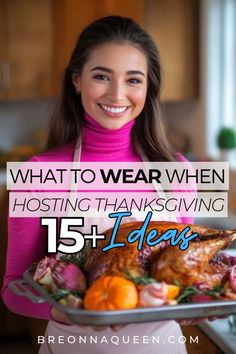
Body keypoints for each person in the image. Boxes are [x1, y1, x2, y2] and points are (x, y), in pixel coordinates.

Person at [2, 16, 200, 354]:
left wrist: (196, 301)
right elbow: (12, 288)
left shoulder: (177, 172)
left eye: (133, 79)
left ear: (148, 87)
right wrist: (73, 314)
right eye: (102, 76)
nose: (117, 94)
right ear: (77, 81)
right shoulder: (39, 174)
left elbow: (181, 278)